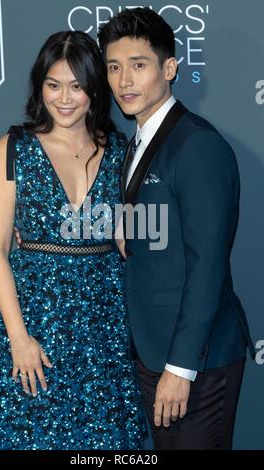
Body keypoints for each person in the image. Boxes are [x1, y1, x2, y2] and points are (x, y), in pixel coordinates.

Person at [97, 8, 256, 450]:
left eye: (138, 65)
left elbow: (207, 265)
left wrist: (181, 368)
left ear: (170, 68)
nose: (124, 80)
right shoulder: (141, 139)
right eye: (114, 67)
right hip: (153, 350)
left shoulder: (197, 145)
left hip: (194, 364)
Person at [0, 31, 147, 450]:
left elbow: (127, 238)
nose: (65, 98)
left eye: (76, 86)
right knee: (31, 436)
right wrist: (18, 338)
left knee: (104, 442)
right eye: (53, 85)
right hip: (36, 321)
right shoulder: (14, 148)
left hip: (103, 325)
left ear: (94, 88)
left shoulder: (117, 151)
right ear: (41, 86)